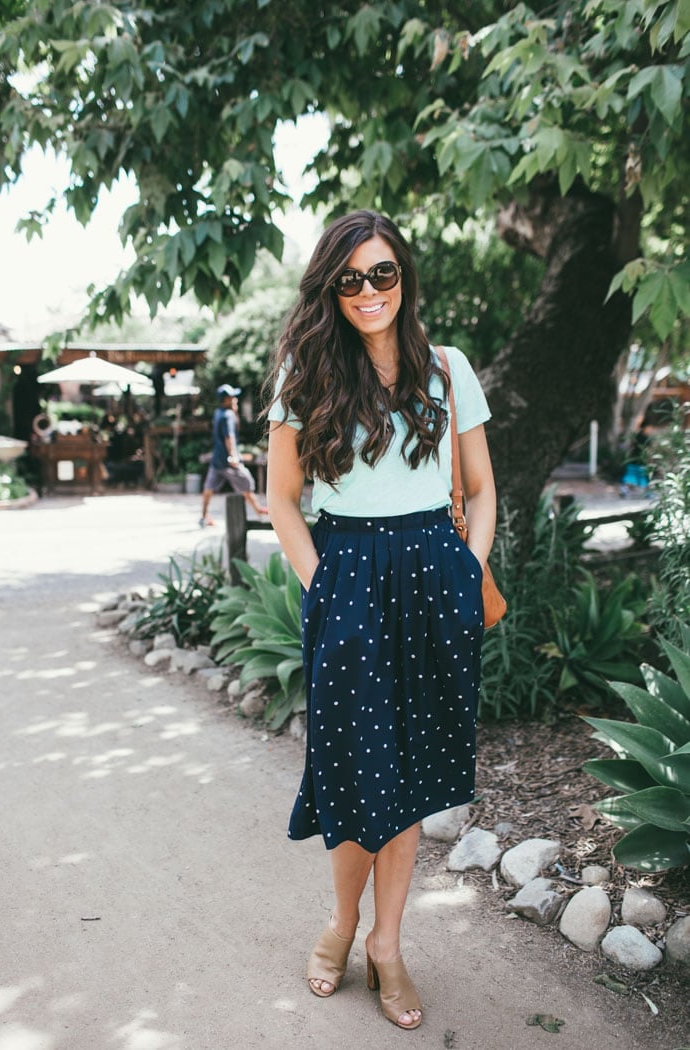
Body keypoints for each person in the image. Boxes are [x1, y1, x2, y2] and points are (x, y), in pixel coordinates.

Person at [265, 211, 496, 1030]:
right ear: (332, 287)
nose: (369, 292)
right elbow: (283, 501)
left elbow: (482, 485)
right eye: (351, 279)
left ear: (406, 277)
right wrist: (323, 585)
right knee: (355, 771)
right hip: (349, 576)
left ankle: (387, 946)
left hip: (435, 573)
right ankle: (340, 924)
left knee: (411, 775)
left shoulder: (447, 367)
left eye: (383, 274)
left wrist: (469, 569)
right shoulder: (305, 367)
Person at [200, 384, 268, 525]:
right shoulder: (228, 415)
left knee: (209, 487)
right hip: (228, 460)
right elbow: (229, 437)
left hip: (217, 458)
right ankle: (259, 511)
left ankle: (204, 516)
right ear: (226, 400)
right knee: (247, 483)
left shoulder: (218, 413)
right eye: (232, 397)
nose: (235, 399)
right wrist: (233, 456)